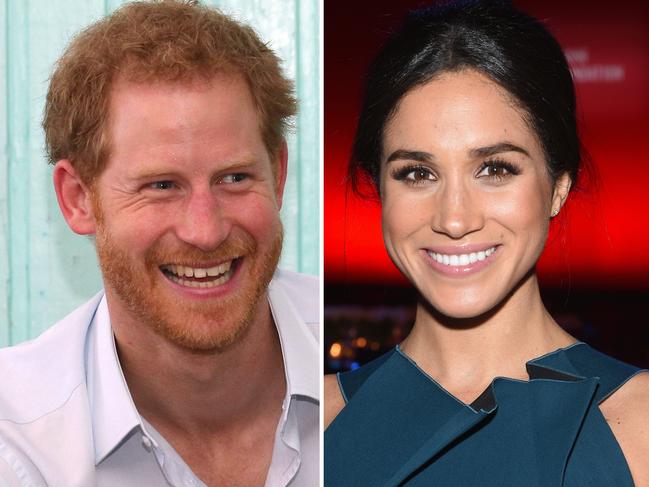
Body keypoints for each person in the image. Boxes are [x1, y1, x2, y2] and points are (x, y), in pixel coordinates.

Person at [324, 2, 649, 486]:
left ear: (558, 184)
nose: (455, 219)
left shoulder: (638, 424)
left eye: (495, 169)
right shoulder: (310, 423)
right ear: (381, 188)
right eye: (418, 173)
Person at [0, 1, 318, 486]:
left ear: (278, 174)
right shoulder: (18, 443)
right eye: (161, 186)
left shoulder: (376, 376)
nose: (205, 230)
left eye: (234, 177)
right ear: (78, 199)